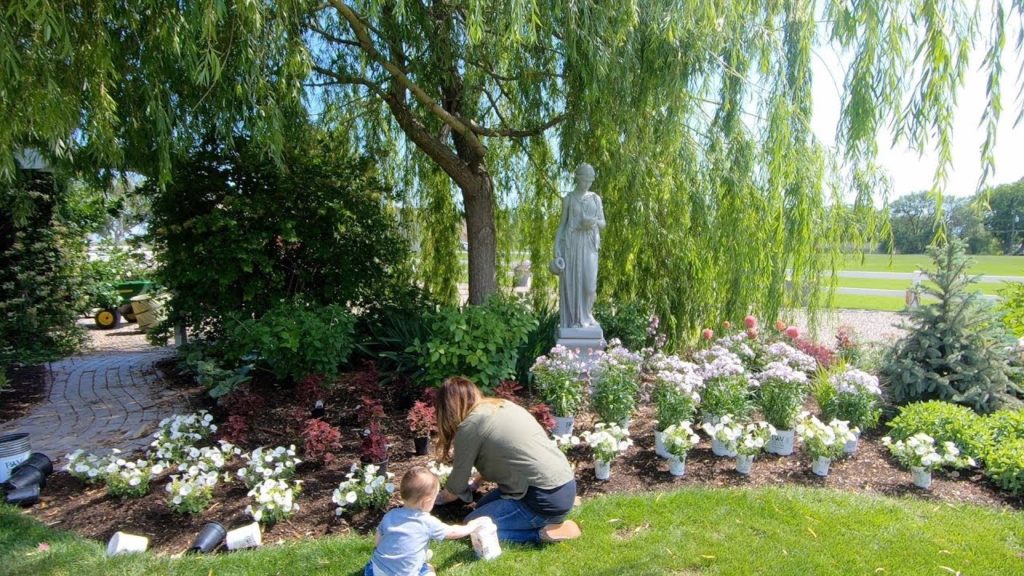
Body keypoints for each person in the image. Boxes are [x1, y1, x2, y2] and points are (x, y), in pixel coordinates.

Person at [433, 377, 581, 544]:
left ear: (448, 408)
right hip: (564, 485)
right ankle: (551, 519)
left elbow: (454, 491)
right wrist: (475, 484)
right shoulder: (502, 406)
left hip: (542, 499)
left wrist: (433, 500)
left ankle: (542, 534)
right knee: (481, 507)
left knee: (472, 527)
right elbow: (504, 452)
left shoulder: (470, 426)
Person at [365, 466, 476, 576]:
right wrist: (471, 527)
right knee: (428, 571)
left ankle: (418, 555)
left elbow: (378, 542)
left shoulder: (391, 514)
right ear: (426, 501)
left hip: (376, 570)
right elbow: (452, 532)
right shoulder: (426, 522)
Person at [553, 162, 606, 329]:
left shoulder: (595, 199)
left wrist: (593, 222)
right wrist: (556, 247)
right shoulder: (568, 199)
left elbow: (603, 223)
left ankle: (587, 315)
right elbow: (562, 225)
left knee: (589, 284)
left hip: (590, 243)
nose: (587, 184)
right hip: (573, 244)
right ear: (578, 179)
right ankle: (575, 319)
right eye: (585, 180)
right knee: (573, 282)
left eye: (590, 181)